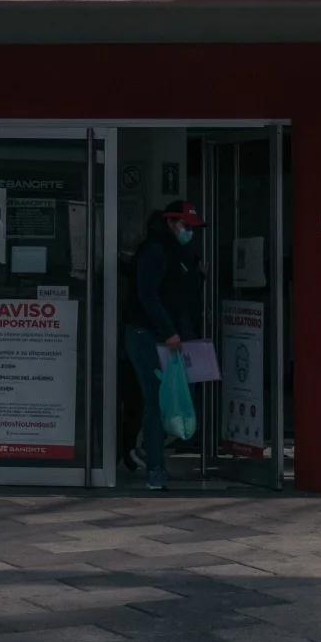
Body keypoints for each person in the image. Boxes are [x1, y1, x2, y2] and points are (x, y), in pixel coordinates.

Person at [121, 199, 205, 491]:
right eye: (186, 226)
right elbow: (148, 294)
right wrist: (169, 332)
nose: (190, 232)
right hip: (149, 336)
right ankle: (155, 468)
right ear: (170, 223)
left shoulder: (177, 251)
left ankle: (151, 451)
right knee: (155, 402)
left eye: (193, 228)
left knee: (176, 400)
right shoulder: (155, 251)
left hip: (171, 338)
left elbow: (179, 294)